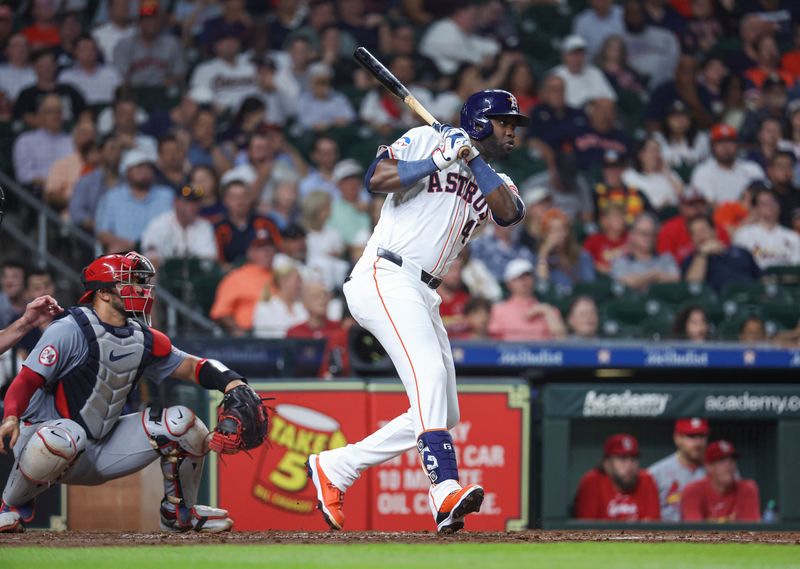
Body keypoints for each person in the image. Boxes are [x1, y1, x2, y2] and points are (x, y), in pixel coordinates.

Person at [306, 89, 528, 533]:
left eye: (513, 124)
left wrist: (468, 157)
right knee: (428, 378)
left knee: (443, 412)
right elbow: (376, 178)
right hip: (386, 272)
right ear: (482, 122)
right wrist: (439, 157)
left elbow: (509, 213)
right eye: (504, 122)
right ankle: (445, 489)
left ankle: (338, 467)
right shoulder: (426, 139)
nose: (511, 131)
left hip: (424, 291)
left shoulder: (495, 178)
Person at [0, 251, 259, 533]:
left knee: (183, 423)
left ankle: (179, 512)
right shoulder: (69, 328)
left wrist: (234, 382)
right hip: (42, 439)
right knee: (65, 435)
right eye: (130, 283)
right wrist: (11, 416)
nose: (141, 290)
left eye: (142, 283)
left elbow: (193, 366)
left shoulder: (143, 337)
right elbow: (26, 379)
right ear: (104, 294)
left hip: (100, 448)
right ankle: (10, 506)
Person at [94, 149, 175, 254]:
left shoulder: (166, 195)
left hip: (161, 251)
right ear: (127, 171)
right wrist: (129, 245)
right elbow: (103, 232)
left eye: (148, 167)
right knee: (116, 250)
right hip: (126, 251)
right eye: (139, 167)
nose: (145, 171)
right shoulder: (112, 197)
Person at [574, 433, 661, 520]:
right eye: (622, 459)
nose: (629, 466)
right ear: (607, 464)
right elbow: (585, 529)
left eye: (633, 459)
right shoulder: (592, 482)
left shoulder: (646, 480)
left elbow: (652, 527)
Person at [209, 228, 276, 336]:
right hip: (248, 335)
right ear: (250, 252)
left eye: (269, 247)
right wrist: (237, 331)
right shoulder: (236, 277)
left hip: (278, 332)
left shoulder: (281, 276)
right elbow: (220, 313)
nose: (266, 252)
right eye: (260, 248)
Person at [681, 440, 761, 522]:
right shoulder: (693, 491)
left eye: (732, 460)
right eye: (722, 460)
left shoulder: (747, 489)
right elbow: (693, 532)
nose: (728, 465)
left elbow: (752, 531)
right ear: (709, 466)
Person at [489, 258, 567, 341]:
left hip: (543, 353)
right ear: (509, 284)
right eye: (518, 277)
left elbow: (562, 340)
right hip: (509, 353)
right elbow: (492, 341)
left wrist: (546, 310)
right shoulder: (498, 310)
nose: (524, 280)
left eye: (528, 275)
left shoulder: (549, 310)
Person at [648, 418, 709, 522]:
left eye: (701, 436)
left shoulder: (720, 471)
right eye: (691, 436)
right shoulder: (656, 473)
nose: (698, 443)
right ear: (677, 438)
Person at [141, 184, 218, 266]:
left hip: (196, 277)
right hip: (165, 277)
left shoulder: (205, 226)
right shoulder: (159, 224)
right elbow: (150, 259)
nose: (193, 207)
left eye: (196, 203)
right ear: (175, 202)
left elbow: (208, 261)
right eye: (187, 202)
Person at [286, 280, 350, 378]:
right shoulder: (294, 333)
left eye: (325, 295)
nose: (322, 299)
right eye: (315, 296)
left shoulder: (340, 330)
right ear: (304, 302)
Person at [690, 124, 765, 205]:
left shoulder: (752, 168)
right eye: (720, 142)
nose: (725, 147)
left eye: (730, 142)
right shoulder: (703, 171)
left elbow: (765, 196)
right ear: (712, 147)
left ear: (737, 145)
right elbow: (709, 203)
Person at [682, 215, 761, 292]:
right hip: (719, 302)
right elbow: (692, 286)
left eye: (703, 230)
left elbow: (760, 277)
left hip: (752, 297)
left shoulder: (740, 251)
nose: (699, 235)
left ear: (714, 231)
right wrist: (702, 254)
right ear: (691, 239)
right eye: (694, 233)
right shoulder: (691, 261)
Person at [733, 188, 800, 270]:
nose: (770, 206)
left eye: (773, 202)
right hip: (755, 280)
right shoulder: (744, 235)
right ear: (755, 209)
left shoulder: (792, 237)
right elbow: (740, 266)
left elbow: (796, 266)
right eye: (765, 203)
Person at [611, 213, 680, 291]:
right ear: (632, 235)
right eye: (643, 234)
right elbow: (625, 283)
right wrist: (655, 276)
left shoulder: (666, 258)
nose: (648, 238)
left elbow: (676, 280)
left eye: (652, 234)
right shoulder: (621, 262)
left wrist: (640, 280)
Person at [551, 35, 616, 110]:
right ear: (564, 55)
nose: (577, 58)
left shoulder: (594, 72)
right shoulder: (555, 75)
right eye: (573, 53)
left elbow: (610, 98)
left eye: (580, 54)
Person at [622, 136, 684, 211]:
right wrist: (659, 207)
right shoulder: (630, 175)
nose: (657, 155)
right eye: (653, 151)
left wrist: (667, 173)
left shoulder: (668, 173)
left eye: (658, 151)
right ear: (641, 154)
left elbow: (681, 194)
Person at [252, 263, 307, 339]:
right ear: (283, 281)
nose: (300, 285)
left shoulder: (303, 306)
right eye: (297, 281)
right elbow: (262, 337)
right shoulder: (265, 307)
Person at [583, 203, 628, 274]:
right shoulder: (593, 240)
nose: (620, 218)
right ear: (604, 220)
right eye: (616, 215)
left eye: (622, 215)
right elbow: (584, 262)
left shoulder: (632, 238)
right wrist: (605, 269)